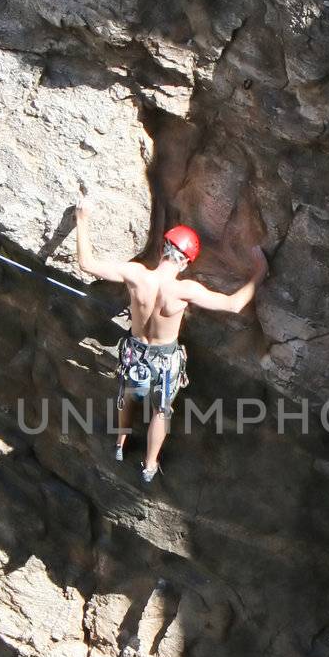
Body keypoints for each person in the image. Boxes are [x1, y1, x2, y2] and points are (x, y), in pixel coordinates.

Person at [75, 189, 268, 483]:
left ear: (165, 248)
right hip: (165, 361)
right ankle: (150, 465)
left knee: (127, 395)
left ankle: (119, 445)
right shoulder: (184, 291)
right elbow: (234, 304)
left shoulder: (135, 274)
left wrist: (82, 218)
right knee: (161, 412)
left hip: (135, 350)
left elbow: (87, 264)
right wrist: (259, 272)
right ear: (187, 261)